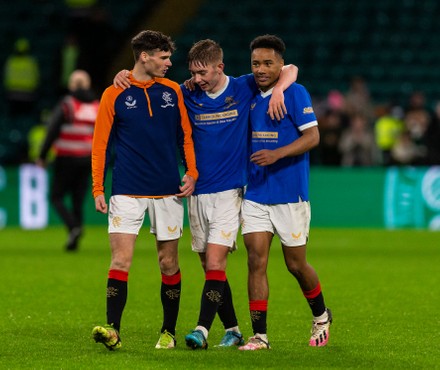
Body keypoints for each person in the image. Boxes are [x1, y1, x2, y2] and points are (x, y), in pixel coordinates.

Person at [113, 39, 298, 350]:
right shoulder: (186, 93)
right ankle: (234, 329)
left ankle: (201, 329)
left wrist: (279, 90)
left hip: (230, 191)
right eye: (193, 73)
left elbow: (290, 68)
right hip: (197, 193)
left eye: (202, 73)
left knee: (215, 261)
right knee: (208, 266)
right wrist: (124, 74)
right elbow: (150, 80)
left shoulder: (242, 88)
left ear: (219, 68)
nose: (196, 79)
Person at [91, 30, 198, 351]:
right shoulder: (114, 93)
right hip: (126, 190)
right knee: (120, 261)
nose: (169, 63)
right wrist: (98, 186)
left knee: (168, 263)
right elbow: (100, 144)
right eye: (164, 57)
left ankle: (168, 331)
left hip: (167, 190)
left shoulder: (173, 91)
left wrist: (191, 171)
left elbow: (186, 136)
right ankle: (112, 330)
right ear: (144, 56)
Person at [238, 35, 332, 351]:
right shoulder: (249, 89)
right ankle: (259, 336)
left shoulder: (295, 92)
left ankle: (321, 315)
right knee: (255, 260)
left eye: (268, 63)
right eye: (255, 63)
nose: (261, 69)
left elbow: (313, 136)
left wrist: (277, 154)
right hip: (256, 194)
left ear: (280, 64)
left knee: (295, 265)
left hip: (290, 194)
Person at [36, 69, 98, 251]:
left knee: (56, 196)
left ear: (71, 85)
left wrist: (42, 156)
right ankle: (74, 240)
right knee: (78, 200)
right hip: (87, 159)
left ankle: (73, 227)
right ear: (87, 84)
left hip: (66, 158)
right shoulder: (97, 105)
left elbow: (52, 130)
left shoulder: (67, 104)